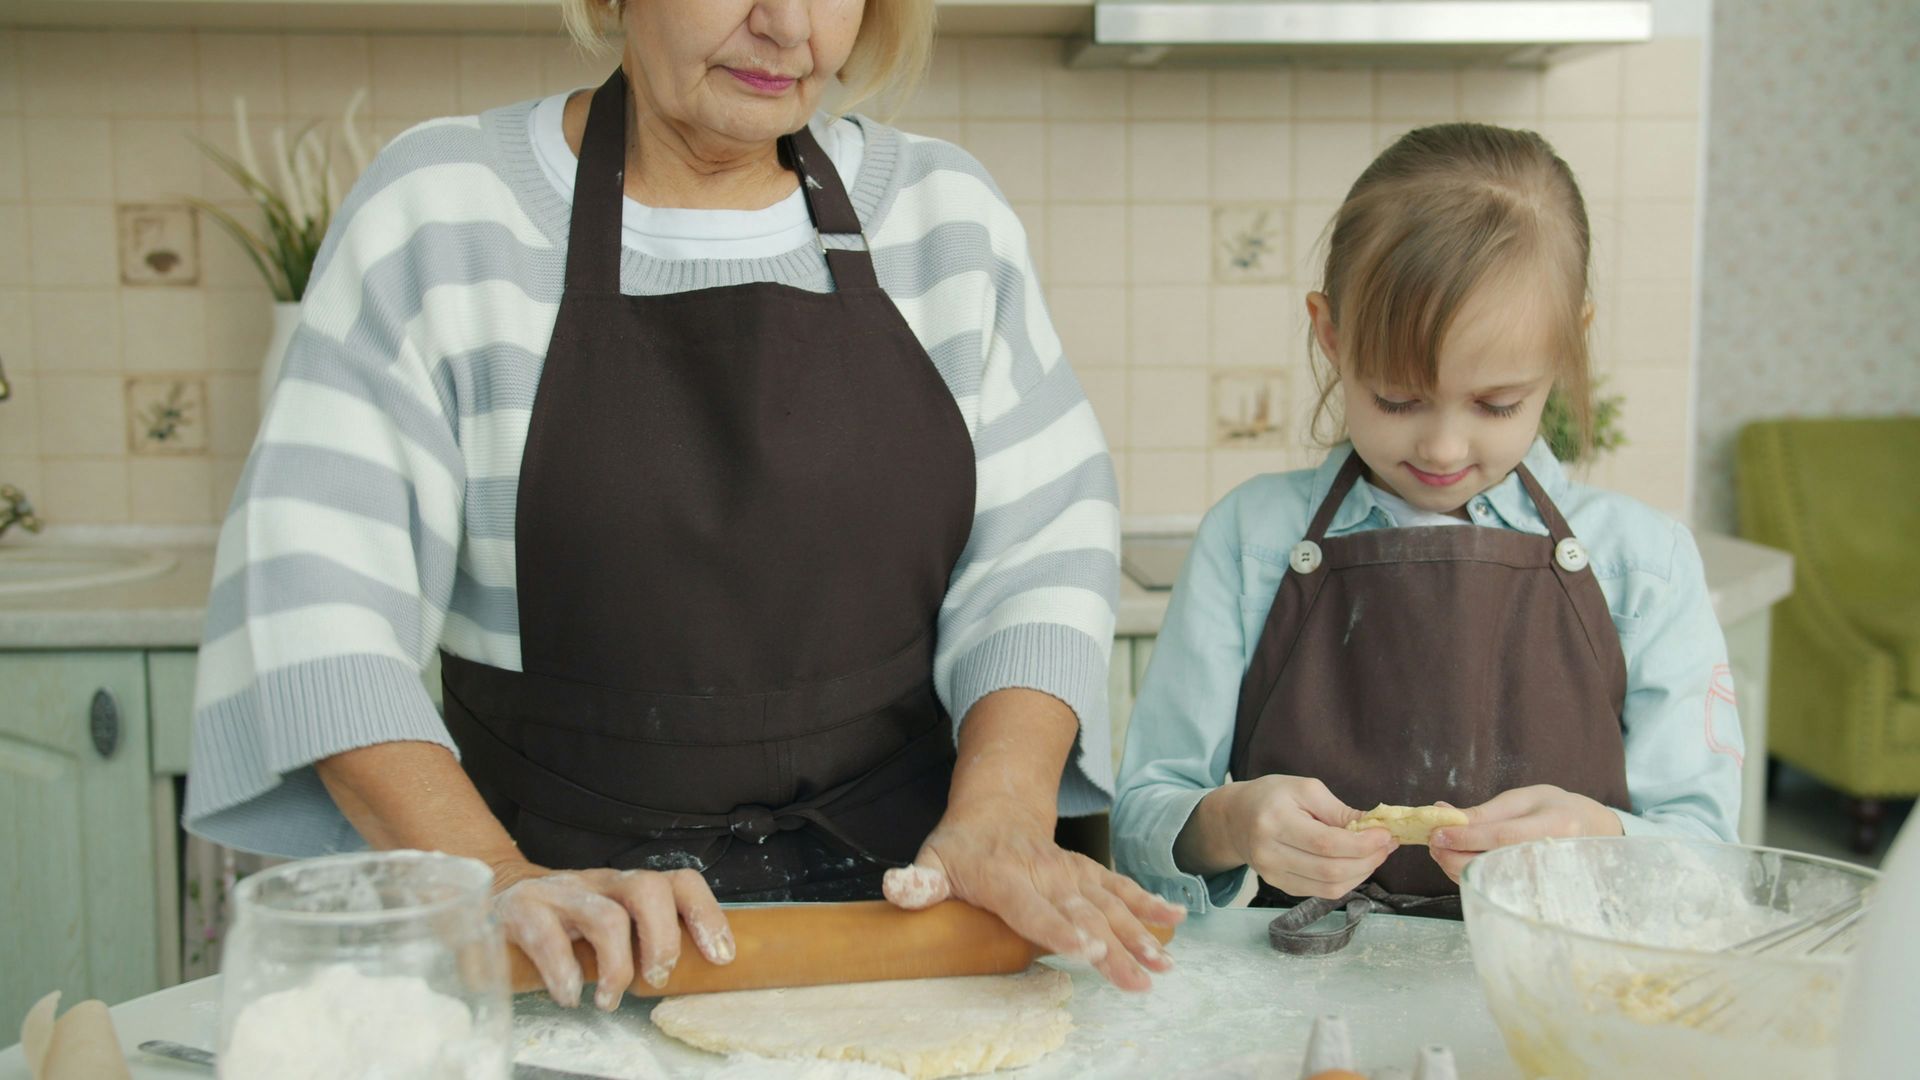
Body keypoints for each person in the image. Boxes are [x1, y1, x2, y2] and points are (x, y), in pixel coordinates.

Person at [185, 0, 1180, 1009]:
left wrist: (1001, 815)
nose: (788, 24)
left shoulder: (943, 217)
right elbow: (316, 602)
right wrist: (496, 882)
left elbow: (1040, 558)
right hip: (565, 963)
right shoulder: (440, 214)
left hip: (903, 941)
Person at [1112, 123, 1742, 914]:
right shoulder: (1249, 542)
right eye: (1397, 398)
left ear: (1567, 345)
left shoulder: (1643, 565)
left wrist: (1601, 844)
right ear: (1331, 335)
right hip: (1297, 996)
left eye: (1496, 403)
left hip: (1551, 998)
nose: (1443, 445)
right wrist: (1231, 825)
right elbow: (1141, 820)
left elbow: (1713, 865)